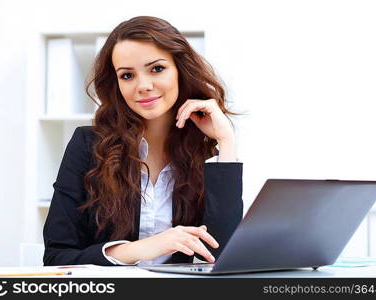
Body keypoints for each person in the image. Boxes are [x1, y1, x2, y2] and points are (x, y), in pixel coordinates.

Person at [43, 16, 243, 266]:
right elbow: (57, 257)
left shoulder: (201, 151)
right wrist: (139, 250)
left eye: (157, 69)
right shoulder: (88, 144)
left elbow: (223, 254)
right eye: (127, 76)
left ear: (180, 70)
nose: (143, 86)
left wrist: (226, 141)